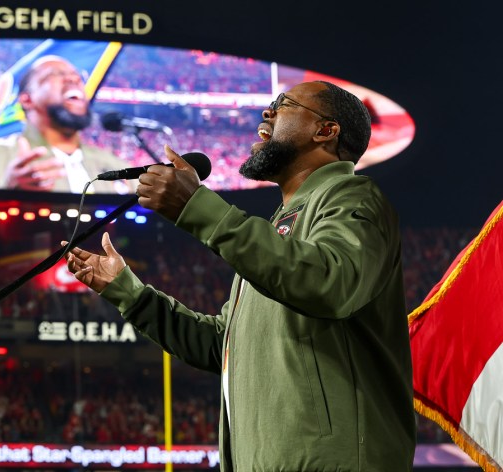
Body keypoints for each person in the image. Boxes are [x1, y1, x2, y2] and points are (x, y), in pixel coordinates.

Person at [64, 81, 416, 471]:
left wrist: (196, 207)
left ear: (326, 131)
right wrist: (128, 293)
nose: (267, 113)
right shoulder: (277, 230)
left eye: (283, 105)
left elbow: (330, 284)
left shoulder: (352, 196)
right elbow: (224, 347)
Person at [0, 56, 133, 194]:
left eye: (77, 77)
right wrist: (9, 192)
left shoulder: (116, 165)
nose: (73, 80)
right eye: (54, 75)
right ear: (27, 99)